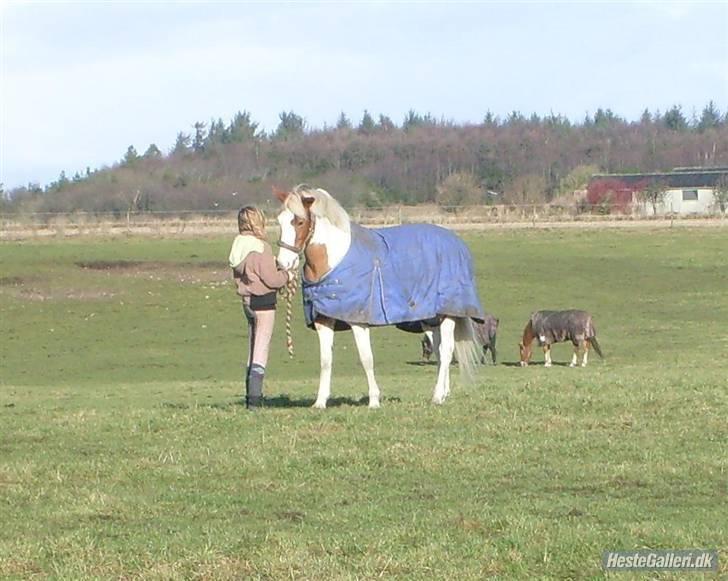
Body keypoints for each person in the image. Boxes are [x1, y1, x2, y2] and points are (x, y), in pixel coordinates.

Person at [229, 206, 291, 409]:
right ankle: (255, 402)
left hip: (247, 302)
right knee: (261, 349)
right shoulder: (261, 247)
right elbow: (271, 280)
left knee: (252, 347)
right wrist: (287, 275)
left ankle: (250, 397)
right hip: (264, 302)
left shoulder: (238, 245)